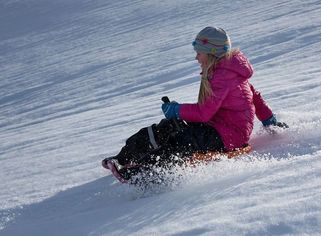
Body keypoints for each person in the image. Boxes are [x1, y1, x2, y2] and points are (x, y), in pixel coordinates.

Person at [102, 26, 287, 183]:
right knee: (167, 127)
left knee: (182, 140)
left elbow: (204, 113)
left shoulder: (223, 77)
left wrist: (177, 110)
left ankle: (144, 174)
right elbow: (255, 97)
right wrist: (269, 120)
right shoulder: (228, 71)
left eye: (199, 53)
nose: (196, 58)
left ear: (212, 54)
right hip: (218, 125)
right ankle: (123, 159)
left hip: (229, 135)